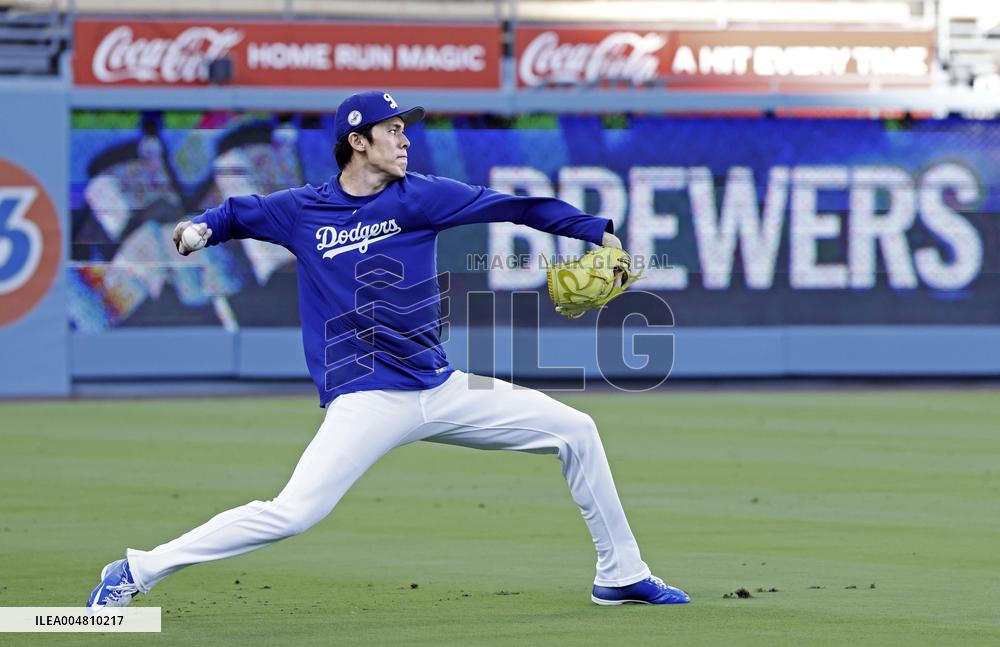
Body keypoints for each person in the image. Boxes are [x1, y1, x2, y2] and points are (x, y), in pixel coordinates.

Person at [86, 91, 690, 608]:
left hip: (440, 386)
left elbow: (516, 206)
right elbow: (240, 213)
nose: (405, 141)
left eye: (406, 131)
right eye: (393, 131)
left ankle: (621, 575)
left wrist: (593, 229)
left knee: (576, 430)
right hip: (366, 397)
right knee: (294, 512)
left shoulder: (420, 196)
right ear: (357, 141)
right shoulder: (304, 211)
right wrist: (199, 230)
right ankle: (137, 570)